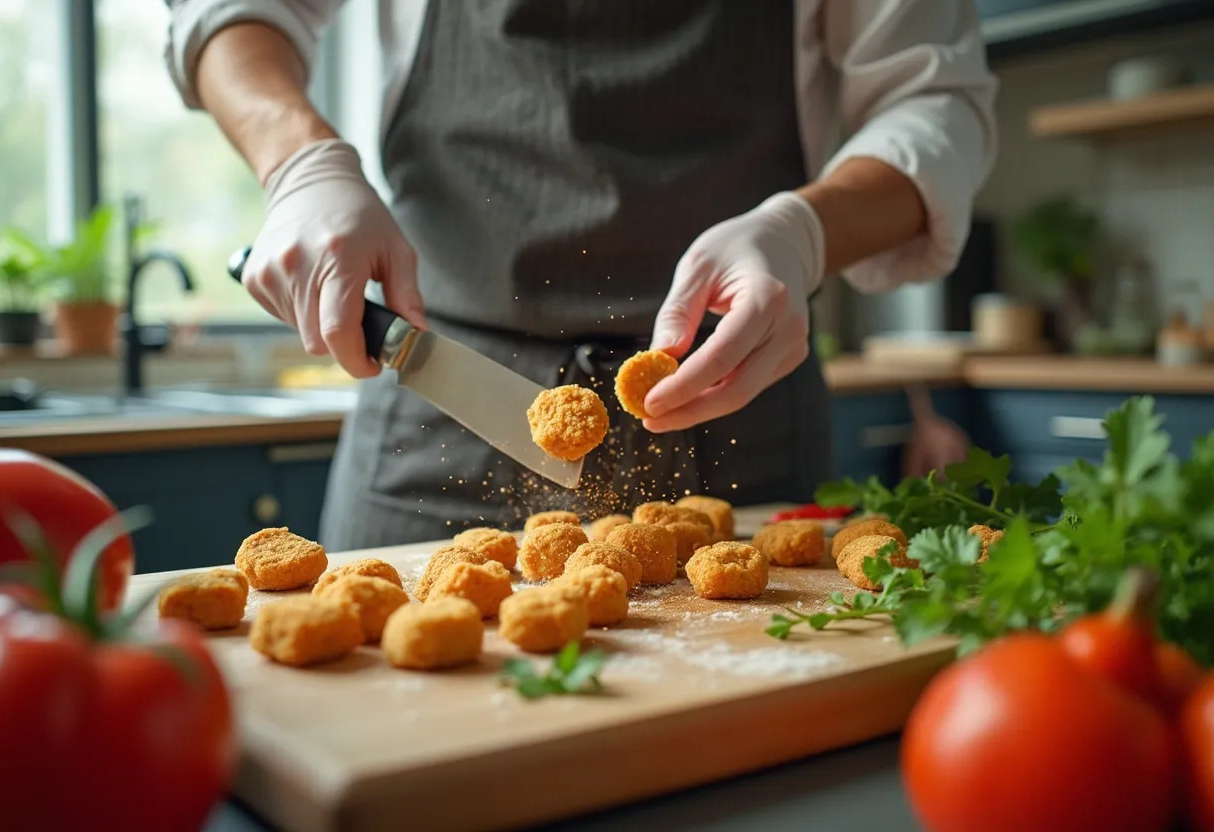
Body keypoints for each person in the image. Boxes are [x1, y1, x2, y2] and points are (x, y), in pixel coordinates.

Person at [165, 1, 997, 548]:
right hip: (437, 414)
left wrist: (803, 231)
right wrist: (300, 162)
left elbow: (938, 102)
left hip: (738, 405)